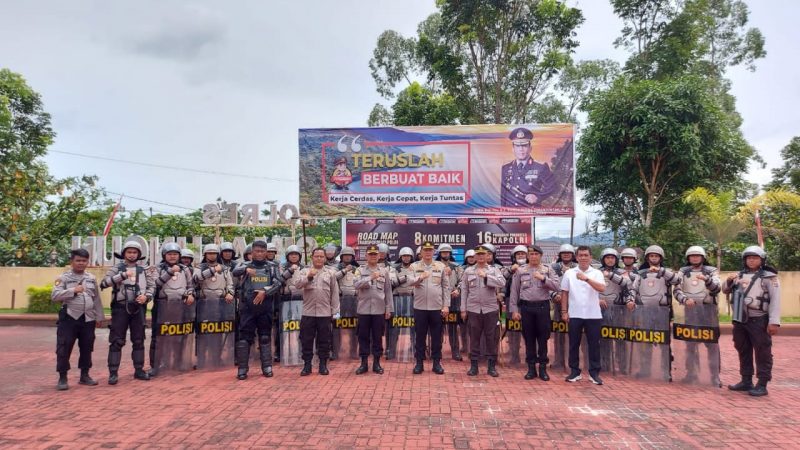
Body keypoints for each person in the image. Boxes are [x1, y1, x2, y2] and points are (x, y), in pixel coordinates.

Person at [723, 246, 781, 397]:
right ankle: (746, 380)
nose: (751, 260)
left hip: (759, 319)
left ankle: (762, 384)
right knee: (743, 349)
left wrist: (774, 322)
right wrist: (729, 281)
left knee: (762, 351)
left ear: (762, 260)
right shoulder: (738, 275)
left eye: (755, 258)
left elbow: (775, 300)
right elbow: (725, 290)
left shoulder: (769, 277)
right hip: (740, 319)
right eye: (748, 258)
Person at [100, 240, 155, 385]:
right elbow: (104, 283)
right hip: (120, 308)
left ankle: (139, 370)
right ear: (124, 254)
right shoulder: (116, 268)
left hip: (139, 308)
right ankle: (113, 373)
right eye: (129, 252)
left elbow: (151, 287)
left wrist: (146, 296)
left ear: (139, 254)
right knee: (117, 341)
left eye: (134, 252)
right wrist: (122, 276)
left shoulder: (145, 270)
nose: (132, 255)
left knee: (139, 340)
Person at [52, 248, 105, 390]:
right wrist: (73, 291)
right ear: (72, 261)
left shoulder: (91, 278)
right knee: (64, 347)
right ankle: (62, 377)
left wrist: (99, 317)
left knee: (87, 347)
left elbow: (96, 299)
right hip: (69, 318)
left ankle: (85, 375)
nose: (81, 263)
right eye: (78, 260)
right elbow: (55, 296)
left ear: (88, 262)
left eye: (84, 261)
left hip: (88, 319)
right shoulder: (63, 278)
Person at [232, 240, 282, 380]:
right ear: (252, 252)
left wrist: (265, 291)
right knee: (244, 339)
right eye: (256, 251)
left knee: (265, 337)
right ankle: (242, 368)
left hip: (265, 307)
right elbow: (235, 272)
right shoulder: (244, 265)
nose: (259, 254)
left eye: (262, 251)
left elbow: (278, 283)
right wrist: (245, 270)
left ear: (266, 252)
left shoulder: (272, 267)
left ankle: (267, 367)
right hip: (247, 308)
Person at [509, 244, 559, 381]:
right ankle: (531, 368)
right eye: (531, 254)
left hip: (543, 307)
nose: (534, 256)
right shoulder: (521, 270)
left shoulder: (547, 269)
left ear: (541, 256)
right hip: (526, 308)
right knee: (529, 338)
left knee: (543, 338)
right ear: (528, 256)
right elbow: (514, 291)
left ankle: (543, 368)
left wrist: (543, 278)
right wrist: (514, 310)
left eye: (536, 254)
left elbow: (557, 286)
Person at [674, 246, 721, 386]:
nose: (695, 258)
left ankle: (714, 376)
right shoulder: (683, 271)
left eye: (697, 255)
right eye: (692, 256)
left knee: (712, 344)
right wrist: (684, 299)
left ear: (703, 257)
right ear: (688, 258)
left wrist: (707, 280)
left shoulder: (711, 271)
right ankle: (691, 373)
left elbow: (717, 287)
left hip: (708, 311)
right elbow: (677, 289)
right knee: (690, 343)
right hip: (690, 311)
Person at [560, 246, 607, 385]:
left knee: (594, 345)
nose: (583, 257)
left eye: (586, 255)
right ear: (576, 257)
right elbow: (564, 292)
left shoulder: (597, 273)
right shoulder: (569, 273)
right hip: (575, 314)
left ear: (591, 257)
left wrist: (586, 279)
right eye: (580, 255)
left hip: (593, 314)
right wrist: (564, 311)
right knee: (574, 344)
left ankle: (594, 373)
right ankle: (574, 371)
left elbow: (602, 288)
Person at [149, 242, 195, 376]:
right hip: (162, 305)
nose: (172, 256)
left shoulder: (185, 269)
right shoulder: (157, 268)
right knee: (159, 336)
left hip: (180, 306)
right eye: (169, 254)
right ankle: (155, 365)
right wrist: (170, 272)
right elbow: (155, 284)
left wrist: (190, 294)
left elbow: (190, 285)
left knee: (178, 335)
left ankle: (177, 362)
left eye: (175, 254)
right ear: (164, 255)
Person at [461, 245, 506, 377]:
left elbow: (502, 283)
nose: (480, 257)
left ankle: (491, 366)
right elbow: (464, 290)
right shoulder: (468, 271)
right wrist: (463, 309)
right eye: (478, 254)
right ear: (475, 256)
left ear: (487, 256)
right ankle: (474, 366)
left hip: (490, 309)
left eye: (483, 254)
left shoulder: (494, 270)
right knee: (474, 337)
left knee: (491, 338)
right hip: (473, 309)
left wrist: (487, 276)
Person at [295, 248, 341, 376]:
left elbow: (335, 294)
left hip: (325, 313)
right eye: (317, 256)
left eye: (321, 256)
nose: (319, 258)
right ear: (312, 257)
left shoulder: (330, 273)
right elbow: (297, 285)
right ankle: (307, 365)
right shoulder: (304, 271)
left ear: (325, 258)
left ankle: (323, 364)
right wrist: (309, 276)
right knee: (306, 340)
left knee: (324, 340)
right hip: (308, 312)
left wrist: (336, 313)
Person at [408, 241, 451, 375]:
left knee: (437, 337)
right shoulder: (414, 266)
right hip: (420, 307)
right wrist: (420, 277)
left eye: (430, 250)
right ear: (421, 252)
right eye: (425, 250)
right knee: (420, 337)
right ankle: (419, 363)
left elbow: (446, 287)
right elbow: (409, 281)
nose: (427, 252)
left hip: (436, 308)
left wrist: (446, 305)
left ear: (433, 252)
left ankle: (436, 363)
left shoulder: (440, 266)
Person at [194, 243, 235, 368]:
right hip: (204, 303)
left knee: (218, 332)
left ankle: (216, 358)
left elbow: (230, 284)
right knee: (202, 332)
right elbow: (196, 279)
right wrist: (212, 270)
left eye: (214, 253)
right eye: (209, 253)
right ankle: (201, 359)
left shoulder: (225, 269)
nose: (212, 255)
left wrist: (230, 293)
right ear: (205, 254)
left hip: (220, 303)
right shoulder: (199, 267)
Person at [354, 245, 393, 374]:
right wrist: (370, 277)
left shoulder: (384, 271)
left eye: (375, 254)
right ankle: (363, 363)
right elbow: (356, 284)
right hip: (363, 310)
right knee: (363, 337)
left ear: (379, 256)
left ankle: (377, 363)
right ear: (366, 256)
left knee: (378, 337)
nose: (373, 256)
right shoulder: (359, 270)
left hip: (379, 310)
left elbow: (388, 291)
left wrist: (388, 309)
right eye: (370, 254)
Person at [500, 127, 556, 207]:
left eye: (524, 146)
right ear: (513, 149)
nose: (521, 149)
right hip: (510, 212)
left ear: (530, 148)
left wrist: (538, 197)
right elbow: (503, 194)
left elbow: (552, 187)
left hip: (530, 211)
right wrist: (503, 211)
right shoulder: (505, 168)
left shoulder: (540, 167)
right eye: (517, 146)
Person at [551, 244, 577, 371]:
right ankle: (559, 360)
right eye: (564, 253)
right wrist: (554, 295)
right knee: (559, 334)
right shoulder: (553, 267)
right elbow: (548, 284)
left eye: (569, 253)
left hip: (575, 304)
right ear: (560, 255)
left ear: (573, 255)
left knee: (576, 333)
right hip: (558, 303)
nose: (566, 255)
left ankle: (574, 361)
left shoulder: (578, 267)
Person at [437, 243, 465, 361]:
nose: (445, 254)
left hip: (453, 299)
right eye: (443, 252)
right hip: (438, 300)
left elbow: (463, 280)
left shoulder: (457, 266)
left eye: (447, 252)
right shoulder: (435, 265)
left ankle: (455, 352)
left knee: (453, 327)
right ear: (440, 253)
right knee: (437, 327)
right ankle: (437, 352)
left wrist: (458, 290)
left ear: (450, 253)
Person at [387, 247, 415, 361]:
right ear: (400, 257)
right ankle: (392, 351)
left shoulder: (415, 267)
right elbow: (391, 282)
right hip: (397, 299)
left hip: (412, 299)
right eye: (404, 256)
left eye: (408, 256)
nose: (406, 258)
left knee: (413, 326)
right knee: (395, 326)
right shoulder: (394, 268)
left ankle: (415, 350)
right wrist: (405, 278)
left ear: (411, 257)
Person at [332, 246, 359, 361]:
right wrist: (345, 270)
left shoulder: (357, 268)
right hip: (339, 300)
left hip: (354, 300)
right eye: (345, 255)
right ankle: (336, 351)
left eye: (349, 255)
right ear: (342, 256)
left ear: (352, 257)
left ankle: (353, 351)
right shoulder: (336, 268)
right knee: (337, 326)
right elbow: (333, 278)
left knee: (354, 326)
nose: (347, 257)